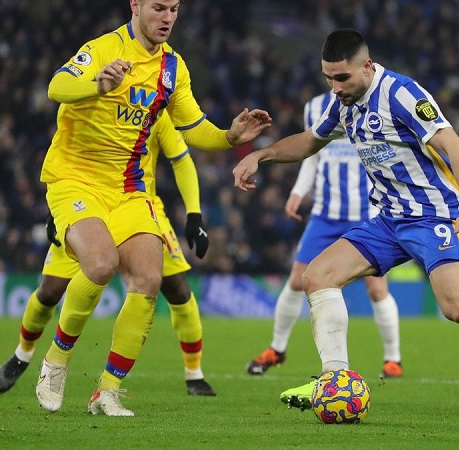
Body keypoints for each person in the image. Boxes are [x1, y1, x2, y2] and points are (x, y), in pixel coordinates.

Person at [232, 28, 459, 410]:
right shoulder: (344, 103)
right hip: (387, 220)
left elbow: (457, 150)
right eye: (328, 78)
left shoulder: (402, 94)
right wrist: (261, 155)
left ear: (367, 67)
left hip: (431, 216)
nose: (334, 87)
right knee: (316, 277)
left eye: (342, 78)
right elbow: (309, 141)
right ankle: (333, 379)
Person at [36, 0, 270, 416]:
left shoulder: (173, 68)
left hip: (128, 189)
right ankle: (55, 363)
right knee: (101, 264)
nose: (167, 18)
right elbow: (57, 87)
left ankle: (106, 391)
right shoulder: (104, 48)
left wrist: (230, 136)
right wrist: (97, 84)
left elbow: (194, 127)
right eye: (159, 8)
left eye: (174, 9)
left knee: (148, 277)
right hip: (76, 178)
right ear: (136, 5)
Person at [0, 113, 217, 397]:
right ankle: (22, 355)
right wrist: (57, 207)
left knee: (175, 287)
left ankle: (194, 374)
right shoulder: (95, 103)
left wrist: (194, 214)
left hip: (140, 206)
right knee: (49, 291)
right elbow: (65, 150)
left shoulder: (155, 107)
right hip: (88, 203)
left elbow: (181, 159)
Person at [246, 91, 403, 379]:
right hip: (325, 215)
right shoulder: (315, 107)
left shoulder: (374, 102)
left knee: (377, 288)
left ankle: (393, 359)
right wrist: (297, 192)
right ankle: (276, 349)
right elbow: (311, 153)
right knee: (296, 280)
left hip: (365, 213)